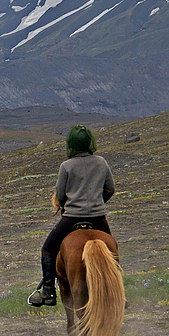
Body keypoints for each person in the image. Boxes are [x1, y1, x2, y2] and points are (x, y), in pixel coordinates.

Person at [28, 125, 115, 307]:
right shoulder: (101, 162)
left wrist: (67, 205)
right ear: (90, 142)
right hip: (99, 218)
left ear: (71, 145)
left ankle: (48, 292)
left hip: (72, 218)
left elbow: (60, 195)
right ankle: (117, 292)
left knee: (48, 249)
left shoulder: (66, 166)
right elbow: (110, 189)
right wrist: (98, 203)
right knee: (112, 251)